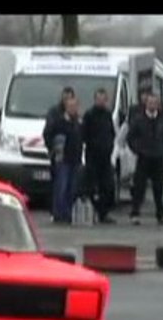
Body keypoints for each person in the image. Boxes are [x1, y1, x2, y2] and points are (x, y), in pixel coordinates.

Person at [127, 93, 163, 225]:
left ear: (158, 105)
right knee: (139, 187)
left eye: (155, 103)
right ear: (146, 104)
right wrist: (138, 149)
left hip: (158, 158)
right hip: (143, 158)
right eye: (150, 103)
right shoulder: (138, 119)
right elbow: (131, 137)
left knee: (158, 188)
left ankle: (161, 215)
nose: (153, 105)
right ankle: (135, 213)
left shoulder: (162, 119)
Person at [44, 96, 83, 224]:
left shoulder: (78, 123)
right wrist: (52, 149)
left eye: (75, 107)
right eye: (71, 107)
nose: (73, 109)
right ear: (66, 108)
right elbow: (48, 134)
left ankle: (68, 212)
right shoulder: (59, 122)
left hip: (75, 159)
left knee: (72, 188)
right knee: (61, 186)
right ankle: (59, 213)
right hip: (63, 160)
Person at [81, 88, 117, 224]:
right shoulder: (89, 115)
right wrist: (92, 145)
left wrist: (110, 146)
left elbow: (111, 132)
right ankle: (92, 212)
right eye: (99, 99)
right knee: (91, 186)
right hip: (92, 156)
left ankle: (104, 213)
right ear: (95, 100)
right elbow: (84, 134)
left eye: (103, 99)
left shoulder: (108, 115)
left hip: (105, 157)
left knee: (106, 186)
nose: (101, 101)